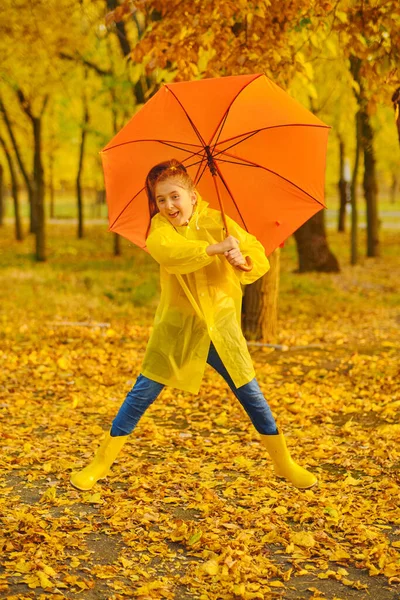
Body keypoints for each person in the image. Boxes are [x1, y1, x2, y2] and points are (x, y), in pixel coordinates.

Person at [70, 159, 317, 491]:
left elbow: (257, 252)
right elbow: (169, 253)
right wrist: (215, 249)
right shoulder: (160, 229)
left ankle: (284, 463)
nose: (169, 205)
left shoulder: (220, 222)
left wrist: (242, 261)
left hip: (221, 327)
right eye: (161, 199)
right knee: (141, 394)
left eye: (175, 196)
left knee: (251, 395)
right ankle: (99, 464)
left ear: (193, 196)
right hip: (179, 329)